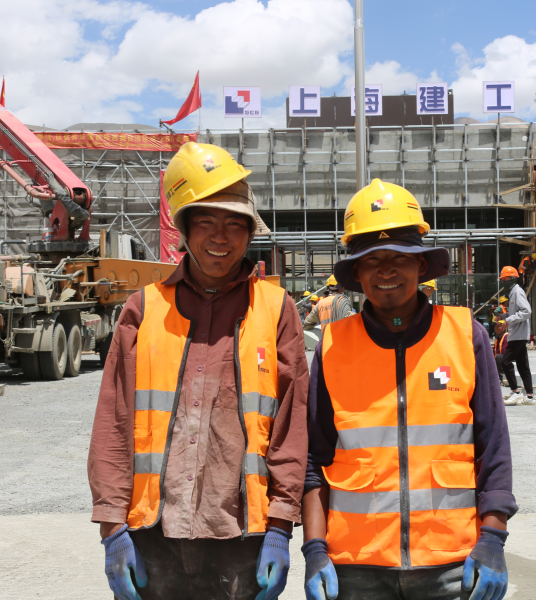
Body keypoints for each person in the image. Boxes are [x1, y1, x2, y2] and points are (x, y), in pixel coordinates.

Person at [88, 142, 309, 600]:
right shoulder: (144, 309)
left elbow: (292, 425)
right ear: (185, 229)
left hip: (242, 535)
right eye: (206, 222)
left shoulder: (275, 310)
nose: (220, 237)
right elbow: (113, 421)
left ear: (250, 232)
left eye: (235, 223)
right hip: (152, 533)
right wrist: (112, 527)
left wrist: (281, 525)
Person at [302, 179, 517, 600]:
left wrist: (493, 538)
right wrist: (314, 550)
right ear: (357, 273)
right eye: (371, 260)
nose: (386, 270)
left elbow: (493, 447)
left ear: (421, 265)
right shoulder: (332, 346)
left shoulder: (465, 336)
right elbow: (314, 460)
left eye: (400, 256)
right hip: (355, 568)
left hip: (452, 564)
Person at [497, 267, 535, 406]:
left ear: (513, 278)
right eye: (502, 279)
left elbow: (526, 311)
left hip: (518, 334)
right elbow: (516, 312)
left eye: (505, 279)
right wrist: (504, 316)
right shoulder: (513, 292)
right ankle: (529, 396)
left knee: (505, 361)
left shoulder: (517, 292)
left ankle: (516, 392)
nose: (503, 281)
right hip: (518, 334)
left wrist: (508, 320)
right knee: (523, 365)